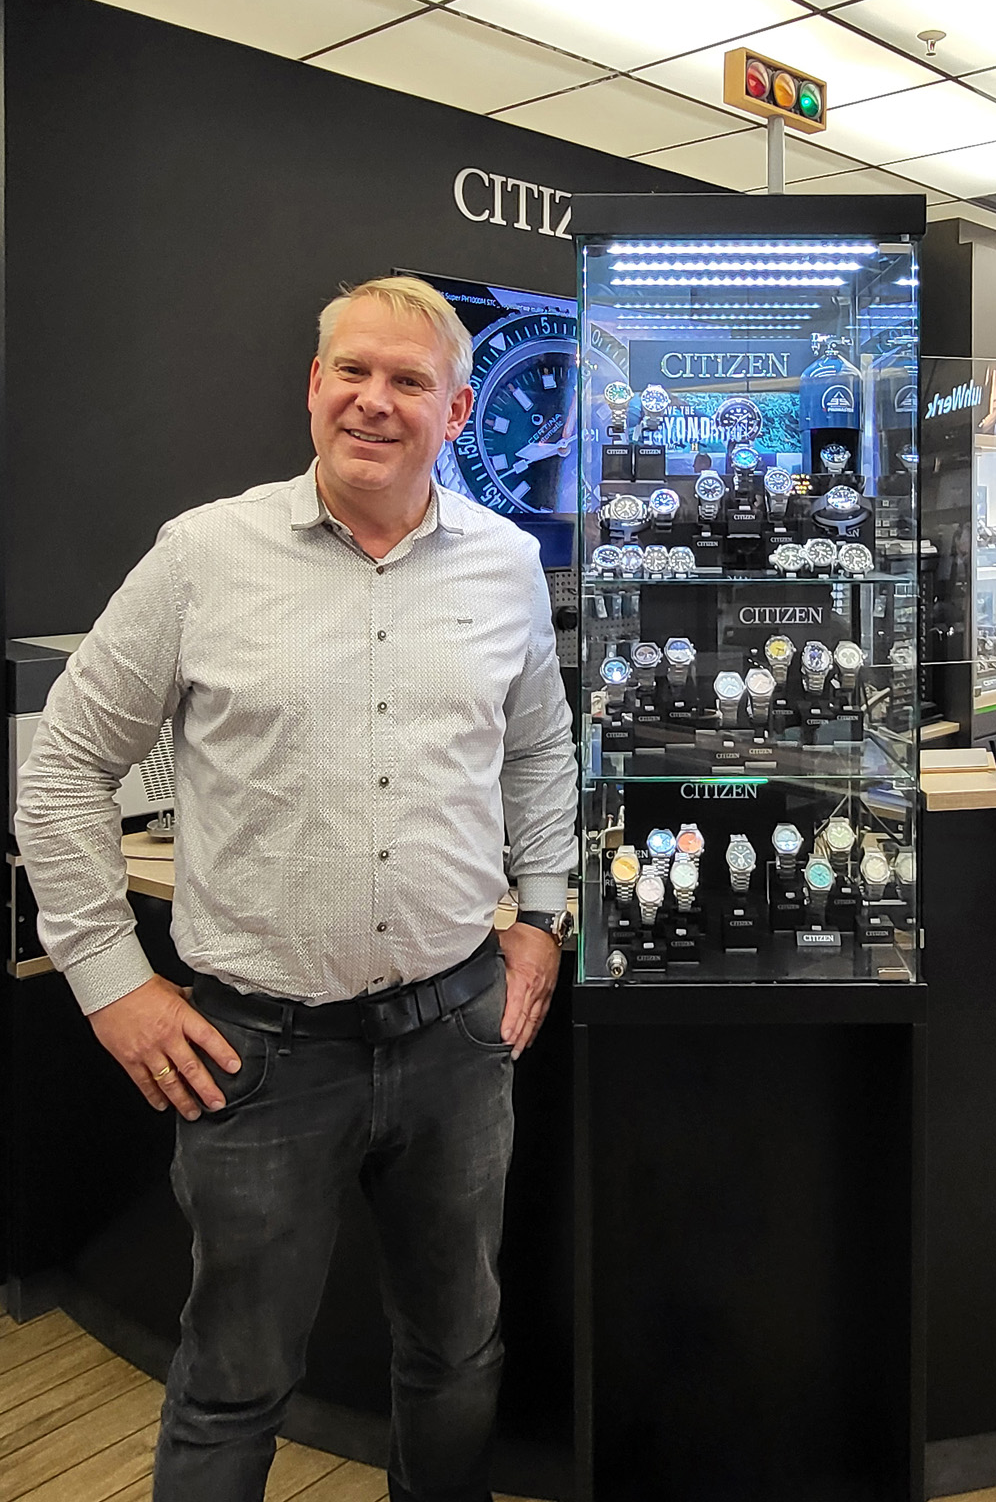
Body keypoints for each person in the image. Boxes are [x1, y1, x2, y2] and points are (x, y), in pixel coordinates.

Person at [16, 275, 578, 1502]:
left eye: (409, 380)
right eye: (351, 371)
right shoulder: (202, 556)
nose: (374, 400)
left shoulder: (505, 565)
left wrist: (542, 914)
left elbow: (540, 749)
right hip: (257, 1056)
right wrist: (112, 984)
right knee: (233, 1384)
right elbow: (62, 767)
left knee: (457, 1353)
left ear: (458, 410)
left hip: (457, 1037)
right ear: (314, 386)